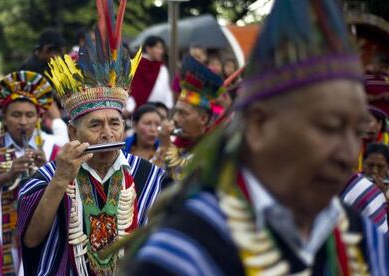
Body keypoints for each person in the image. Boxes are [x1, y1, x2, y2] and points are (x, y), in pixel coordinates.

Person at [125, 0, 389, 274]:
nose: (348, 152)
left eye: (357, 131)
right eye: (329, 127)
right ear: (259, 125)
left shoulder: (364, 240)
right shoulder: (183, 253)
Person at [17, 2, 165, 274]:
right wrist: (61, 178)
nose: (108, 133)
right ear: (73, 132)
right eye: (95, 125)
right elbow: (31, 239)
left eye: (115, 123)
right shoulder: (48, 176)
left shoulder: (150, 177)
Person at [0, 71, 60, 275]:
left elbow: (68, 190)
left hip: (41, 234)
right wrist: (9, 175)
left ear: (39, 117)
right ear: (4, 117)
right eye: (16, 115)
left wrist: (47, 168)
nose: (23, 122)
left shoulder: (53, 149)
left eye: (29, 115)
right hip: (0, 233)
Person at [153, 54, 224, 181]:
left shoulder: (215, 150)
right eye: (176, 112)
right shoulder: (174, 144)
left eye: (183, 113)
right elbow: (152, 181)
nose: (175, 119)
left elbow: (184, 179)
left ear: (203, 119)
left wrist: (165, 147)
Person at [342, 143, 389, 233]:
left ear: (387, 166)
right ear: (363, 163)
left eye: (380, 166)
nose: (375, 171)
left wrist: (382, 196)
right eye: (370, 165)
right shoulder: (352, 183)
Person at [129, 35, 173, 111]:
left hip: (160, 110)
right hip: (137, 111)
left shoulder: (162, 68)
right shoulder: (136, 65)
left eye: (162, 48)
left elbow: (166, 89)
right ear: (148, 48)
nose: (161, 51)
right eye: (158, 48)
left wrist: (168, 106)